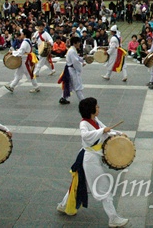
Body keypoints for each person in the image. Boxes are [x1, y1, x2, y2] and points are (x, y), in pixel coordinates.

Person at [56, 97, 129, 227]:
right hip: (89, 158)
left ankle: (63, 205)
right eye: (97, 106)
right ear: (91, 109)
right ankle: (113, 218)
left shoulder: (94, 120)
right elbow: (86, 136)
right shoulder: (84, 123)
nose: (98, 108)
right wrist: (102, 131)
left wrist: (119, 134)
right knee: (103, 186)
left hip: (92, 157)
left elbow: (106, 130)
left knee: (79, 182)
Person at [4, 29, 40, 93]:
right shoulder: (27, 40)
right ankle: (12, 86)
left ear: (24, 35)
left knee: (29, 74)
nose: (21, 35)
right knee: (18, 74)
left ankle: (36, 87)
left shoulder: (25, 42)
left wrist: (13, 52)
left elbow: (20, 52)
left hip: (25, 60)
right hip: (24, 59)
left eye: (22, 33)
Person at [59, 36, 86, 105]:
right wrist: (81, 65)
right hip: (72, 70)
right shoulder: (72, 51)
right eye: (78, 42)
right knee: (77, 86)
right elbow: (75, 62)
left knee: (69, 85)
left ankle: (63, 97)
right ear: (75, 43)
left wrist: (82, 60)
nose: (79, 44)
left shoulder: (72, 50)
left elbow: (77, 58)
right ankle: (83, 101)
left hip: (69, 69)